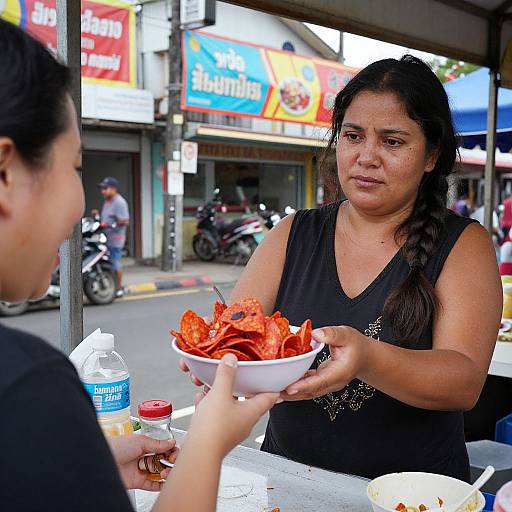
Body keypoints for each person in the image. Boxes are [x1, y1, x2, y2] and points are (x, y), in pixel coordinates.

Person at [0, 19, 278, 512]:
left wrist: (86, 460)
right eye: (74, 167)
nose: (77, 202)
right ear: (5, 172)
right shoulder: (25, 388)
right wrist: (209, 443)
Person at [188, 56, 502, 481]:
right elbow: (243, 332)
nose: (366, 157)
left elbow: (464, 382)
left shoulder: (464, 244)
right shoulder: (291, 234)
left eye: (393, 142)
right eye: (353, 136)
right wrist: (214, 356)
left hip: (415, 496)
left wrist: (367, 357)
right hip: (289, 483)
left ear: (432, 155)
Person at [98, 176, 129, 297]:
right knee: (109, 263)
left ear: (114, 189)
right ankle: (113, 285)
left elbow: (125, 221)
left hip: (116, 238)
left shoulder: (119, 202)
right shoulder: (107, 201)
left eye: (105, 188)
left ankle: (118, 288)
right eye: (102, 189)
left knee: (115, 262)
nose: (103, 191)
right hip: (106, 236)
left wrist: (109, 224)